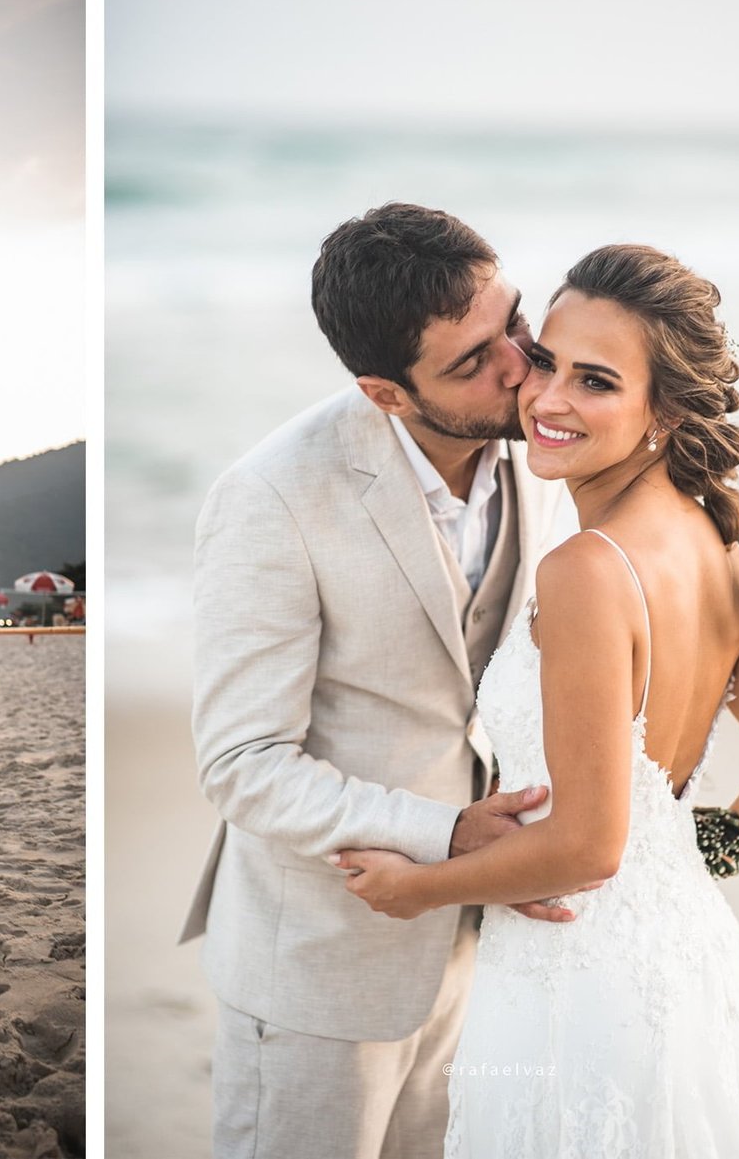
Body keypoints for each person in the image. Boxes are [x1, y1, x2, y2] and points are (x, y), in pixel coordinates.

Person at [335, 245, 739, 1156]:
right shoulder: (727, 543)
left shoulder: (588, 574)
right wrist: (682, 863)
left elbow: (588, 848)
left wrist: (417, 890)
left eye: (595, 381)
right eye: (548, 360)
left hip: (580, 974)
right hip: (682, 955)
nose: (546, 398)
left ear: (665, 407)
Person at [187, 203, 569, 1159]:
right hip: (323, 963)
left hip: (480, 949)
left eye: (514, 322)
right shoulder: (272, 495)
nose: (520, 364)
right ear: (387, 393)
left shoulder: (547, 451)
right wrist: (446, 834)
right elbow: (243, 764)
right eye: (473, 360)